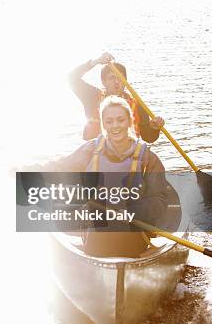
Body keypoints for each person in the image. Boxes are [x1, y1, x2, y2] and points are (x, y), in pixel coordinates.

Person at [46, 96, 172, 257]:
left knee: (129, 241)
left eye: (120, 120)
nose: (115, 126)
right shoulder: (90, 150)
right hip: (98, 229)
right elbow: (61, 167)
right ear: (103, 124)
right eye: (109, 121)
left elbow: (159, 198)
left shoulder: (148, 157)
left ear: (129, 121)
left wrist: (132, 212)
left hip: (133, 230)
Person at [68, 52, 165, 142]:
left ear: (126, 80)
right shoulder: (92, 97)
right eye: (111, 78)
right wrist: (96, 62)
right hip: (97, 155)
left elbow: (148, 138)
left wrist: (154, 128)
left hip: (127, 157)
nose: (117, 82)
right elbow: (71, 77)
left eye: (121, 78)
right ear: (103, 81)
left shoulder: (137, 104)